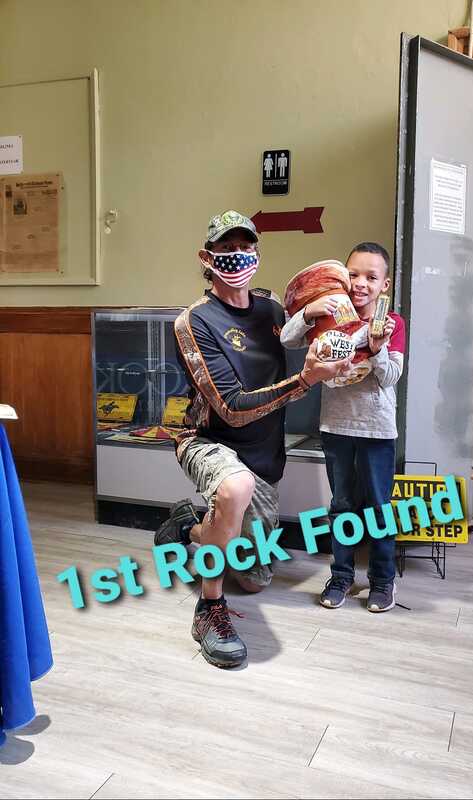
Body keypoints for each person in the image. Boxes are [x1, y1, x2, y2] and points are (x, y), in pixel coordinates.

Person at [154, 210, 347, 668]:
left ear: (257, 254)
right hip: (210, 440)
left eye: (246, 248)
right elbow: (232, 408)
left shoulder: (272, 310)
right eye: (226, 250)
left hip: (264, 456)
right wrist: (304, 380)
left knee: (256, 577)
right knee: (233, 487)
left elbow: (310, 337)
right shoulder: (193, 322)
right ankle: (210, 611)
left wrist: (327, 315)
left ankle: (188, 528)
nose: (237, 257)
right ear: (207, 257)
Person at [280, 242, 405, 612]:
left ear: (385, 285)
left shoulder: (392, 323)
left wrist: (378, 346)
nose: (360, 283)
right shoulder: (328, 314)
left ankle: (383, 582)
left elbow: (390, 377)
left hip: (377, 432)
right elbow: (287, 339)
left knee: (380, 509)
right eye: (353, 274)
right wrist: (309, 311)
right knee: (341, 507)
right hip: (336, 427)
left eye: (371, 276)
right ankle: (341, 577)